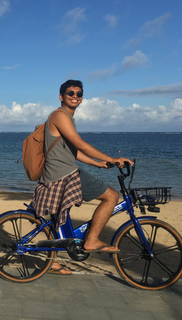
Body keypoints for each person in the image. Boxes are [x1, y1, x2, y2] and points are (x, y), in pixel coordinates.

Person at [34, 79, 133, 275]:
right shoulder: (60, 115)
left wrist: (97, 163)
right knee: (111, 196)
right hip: (63, 174)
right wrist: (112, 158)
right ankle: (92, 240)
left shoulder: (65, 118)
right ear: (61, 97)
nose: (75, 96)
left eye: (79, 94)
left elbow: (72, 151)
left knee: (59, 220)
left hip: (59, 172)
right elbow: (80, 144)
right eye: (70, 93)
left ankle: (51, 261)